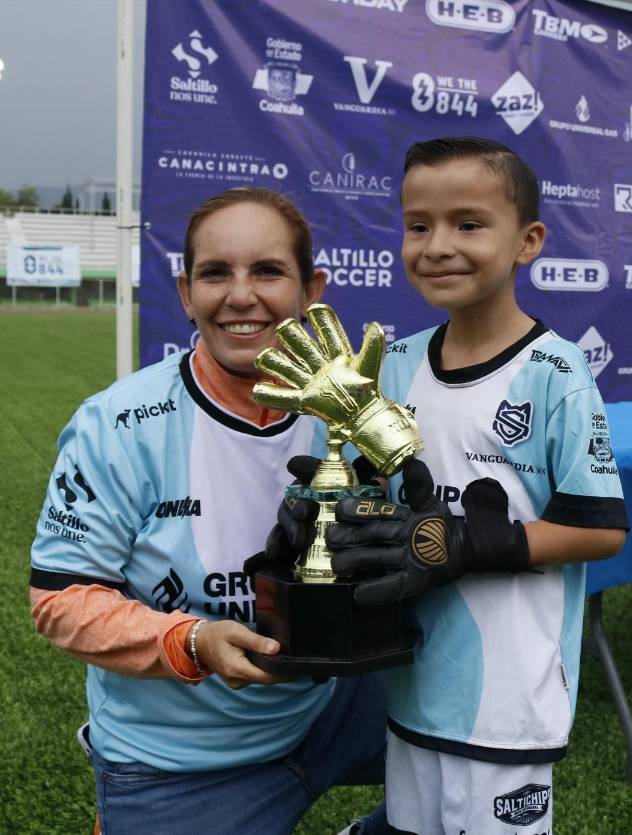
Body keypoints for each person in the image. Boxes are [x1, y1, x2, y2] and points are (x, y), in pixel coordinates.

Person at [29, 187, 391, 834]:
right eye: (216, 273)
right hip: (182, 763)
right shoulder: (118, 423)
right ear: (184, 293)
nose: (241, 295)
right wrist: (189, 639)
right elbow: (59, 598)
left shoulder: (346, 404)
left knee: (481, 774)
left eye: (269, 271)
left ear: (313, 288)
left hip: (331, 705)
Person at [307, 137, 629, 834]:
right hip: (414, 684)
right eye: (418, 224)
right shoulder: (392, 364)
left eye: (469, 224)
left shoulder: (555, 373)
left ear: (528, 241)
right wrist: (330, 505)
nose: (438, 245)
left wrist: (474, 542)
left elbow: (601, 527)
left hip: (508, 699)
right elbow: (378, 501)